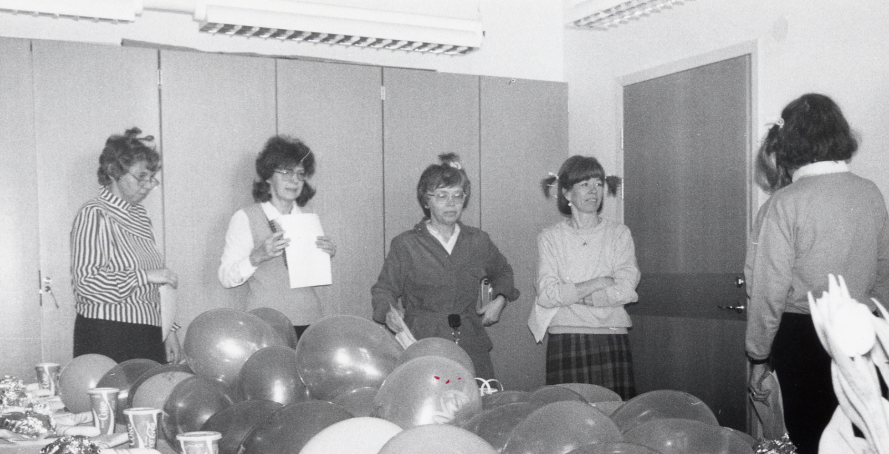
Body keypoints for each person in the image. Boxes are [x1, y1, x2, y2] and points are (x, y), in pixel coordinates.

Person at [745, 93, 889, 454]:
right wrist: (877, 323)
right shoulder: (869, 192)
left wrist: (758, 355)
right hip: (864, 334)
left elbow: (768, 290)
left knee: (816, 448)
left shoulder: (785, 202)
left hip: (805, 338)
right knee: (866, 446)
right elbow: (885, 274)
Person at [371, 153, 519, 380]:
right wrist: (389, 312)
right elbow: (384, 290)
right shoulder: (406, 244)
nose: (451, 203)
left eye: (457, 196)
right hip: (422, 340)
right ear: (426, 200)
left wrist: (499, 300)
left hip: (470, 341)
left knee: (477, 397)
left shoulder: (477, 240)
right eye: (442, 196)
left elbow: (503, 272)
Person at [530, 156, 640, 399]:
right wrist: (599, 283)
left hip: (610, 335)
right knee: (569, 414)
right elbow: (546, 295)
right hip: (566, 338)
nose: (594, 191)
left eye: (598, 184)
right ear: (567, 193)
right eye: (585, 184)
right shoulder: (550, 237)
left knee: (614, 413)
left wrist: (572, 294)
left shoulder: (619, 234)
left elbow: (626, 289)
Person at [71, 128, 181, 364]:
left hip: (148, 333)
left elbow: (155, 286)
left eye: (151, 177)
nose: (148, 184)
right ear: (114, 172)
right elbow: (87, 283)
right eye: (141, 176)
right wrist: (145, 276)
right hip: (107, 334)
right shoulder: (95, 214)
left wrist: (169, 330)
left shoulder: (140, 216)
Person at [218, 135, 336, 340]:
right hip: (267, 323)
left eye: (300, 174)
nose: (295, 180)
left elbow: (310, 276)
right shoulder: (246, 217)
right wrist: (258, 256)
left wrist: (326, 255)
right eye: (286, 172)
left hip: (310, 319)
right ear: (268, 176)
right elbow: (226, 277)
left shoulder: (308, 218)